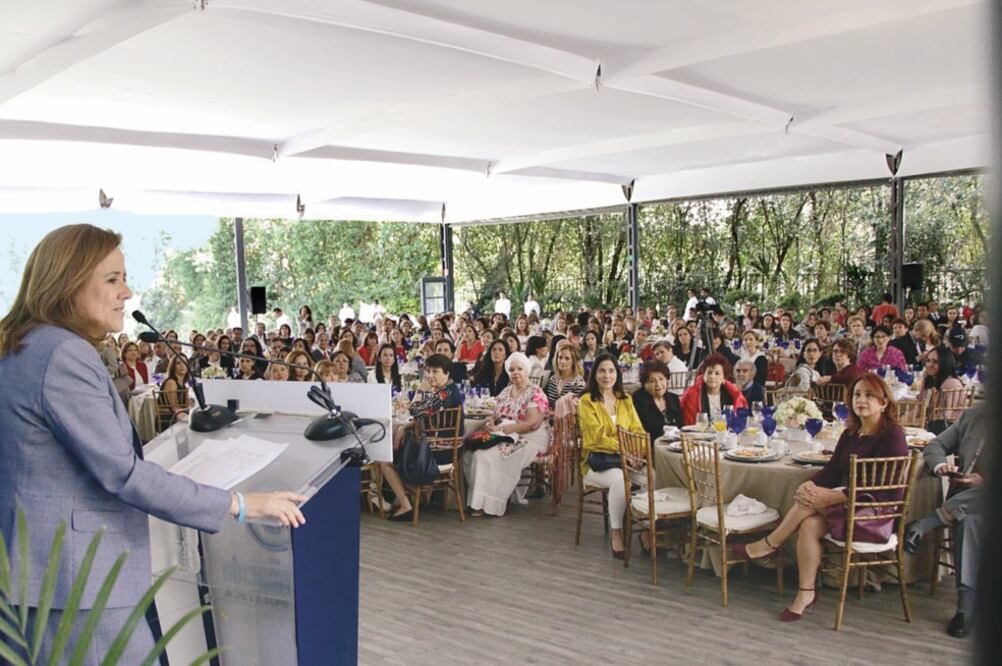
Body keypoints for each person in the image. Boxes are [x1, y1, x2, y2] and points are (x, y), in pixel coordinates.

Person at [0, 224, 304, 662]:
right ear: (67, 283)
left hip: (37, 575)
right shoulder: (64, 354)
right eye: (112, 279)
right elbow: (122, 473)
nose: (126, 292)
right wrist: (240, 504)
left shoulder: (22, 347)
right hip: (79, 581)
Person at [733, 374, 907, 622]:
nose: (861, 400)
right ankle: (805, 593)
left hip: (876, 515)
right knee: (809, 523)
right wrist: (811, 484)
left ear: (884, 402)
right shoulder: (851, 434)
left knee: (810, 503)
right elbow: (833, 471)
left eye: (869, 395)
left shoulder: (892, 436)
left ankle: (768, 545)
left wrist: (834, 495)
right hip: (851, 509)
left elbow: (883, 489)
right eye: (857, 394)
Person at [903, 405, 986, 637]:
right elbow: (935, 445)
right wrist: (941, 465)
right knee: (969, 522)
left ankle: (928, 522)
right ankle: (964, 611)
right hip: (970, 506)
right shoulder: (973, 415)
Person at [464, 352, 551, 517]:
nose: (515, 373)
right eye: (511, 370)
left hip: (530, 438)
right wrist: (491, 421)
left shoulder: (536, 393)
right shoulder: (507, 390)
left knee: (484, 457)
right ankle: (475, 501)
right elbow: (495, 411)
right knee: (469, 454)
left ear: (526, 370)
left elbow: (532, 424)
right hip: (507, 435)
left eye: (519, 369)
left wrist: (503, 430)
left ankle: (488, 504)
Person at [577, 353, 645, 557]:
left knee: (651, 476)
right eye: (602, 371)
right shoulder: (587, 401)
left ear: (618, 374)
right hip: (597, 462)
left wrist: (636, 452)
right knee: (620, 480)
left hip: (625, 459)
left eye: (611, 371)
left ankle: (646, 530)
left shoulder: (625, 399)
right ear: (595, 374)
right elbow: (596, 437)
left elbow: (638, 430)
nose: (607, 375)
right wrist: (625, 450)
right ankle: (617, 531)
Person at [680, 354, 748, 425]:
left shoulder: (733, 395)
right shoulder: (691, 395)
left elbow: (740, 422)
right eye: (709, 373)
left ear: (724, 378)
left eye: (717, 373)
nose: (712, 376)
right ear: (703, 375)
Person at [916, 345, 965, 434]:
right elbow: (919, 407)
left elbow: (945, 416)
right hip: (928, 427)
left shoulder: (951, 383)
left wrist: (921, 422)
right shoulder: (929, 380)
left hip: (946, 432)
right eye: (928, 361)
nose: (929, 365)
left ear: (945, 363)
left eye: (935, 362)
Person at [631, 361, 683, 440]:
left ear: (667, 380)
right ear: (645, 384)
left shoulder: (674, 399)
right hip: (649, 447)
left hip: (674, 445)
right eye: (652, 381)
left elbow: (681, 426)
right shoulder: (638, 400)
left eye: (661, 379)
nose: (658, 384)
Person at [544, 342, 586, 409]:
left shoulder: (578, 383)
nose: (562, 361)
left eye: (567, 358)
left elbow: (577, 410)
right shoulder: (553, 379)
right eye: (560, 357)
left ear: (573, 361)